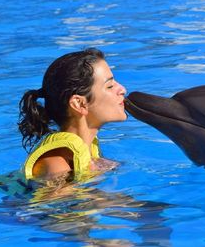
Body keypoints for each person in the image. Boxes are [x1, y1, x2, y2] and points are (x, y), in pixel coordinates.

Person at [18, 48, 127, 182]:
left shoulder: (87, 150)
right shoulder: (57, 164)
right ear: (79, 104)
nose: (122, 89)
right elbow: (57, 202)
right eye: (109, 86)